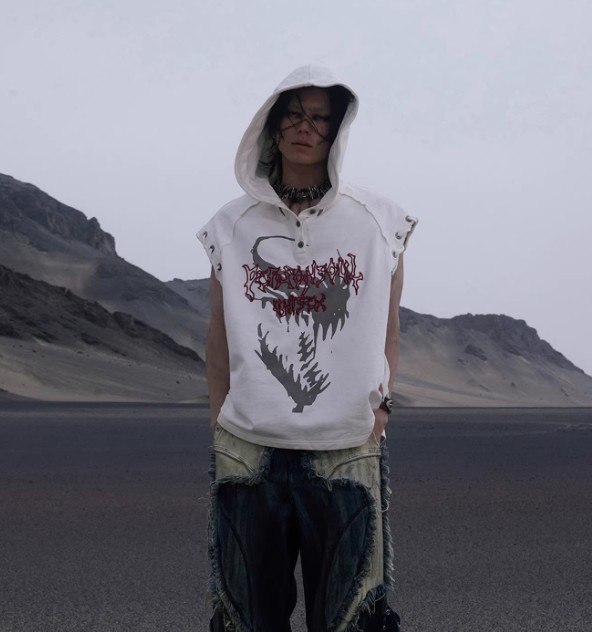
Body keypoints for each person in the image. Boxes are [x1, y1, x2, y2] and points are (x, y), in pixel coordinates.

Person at [198, 64, 417, 632]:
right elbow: (218, 334)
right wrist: (221, 419)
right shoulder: (230, 226)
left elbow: (389, 325)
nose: (305, 127)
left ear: (336, 131)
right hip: (249, 450)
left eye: (320, 118)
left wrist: (382, 407)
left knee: (348, 619)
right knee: (248, 618)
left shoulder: (380, 221)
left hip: (345, 447)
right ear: (272, 126)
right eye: (294, 114)